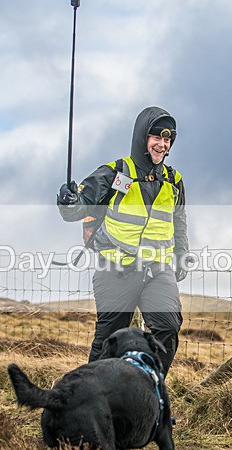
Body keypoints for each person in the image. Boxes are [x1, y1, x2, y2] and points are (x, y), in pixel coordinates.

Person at [57, 106, 191, 371]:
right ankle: (92, 397)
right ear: (143, 138)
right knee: (108, 342)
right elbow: (76, 210)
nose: (162, 145)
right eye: (156, 138)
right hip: (115, 269)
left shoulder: (173, 180)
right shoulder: (114, 173)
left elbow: (179, 220)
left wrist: (181, 256)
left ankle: (146, 389)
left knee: (167, 328)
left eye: (167, 140)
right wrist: (68, 201)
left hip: (157, 270)